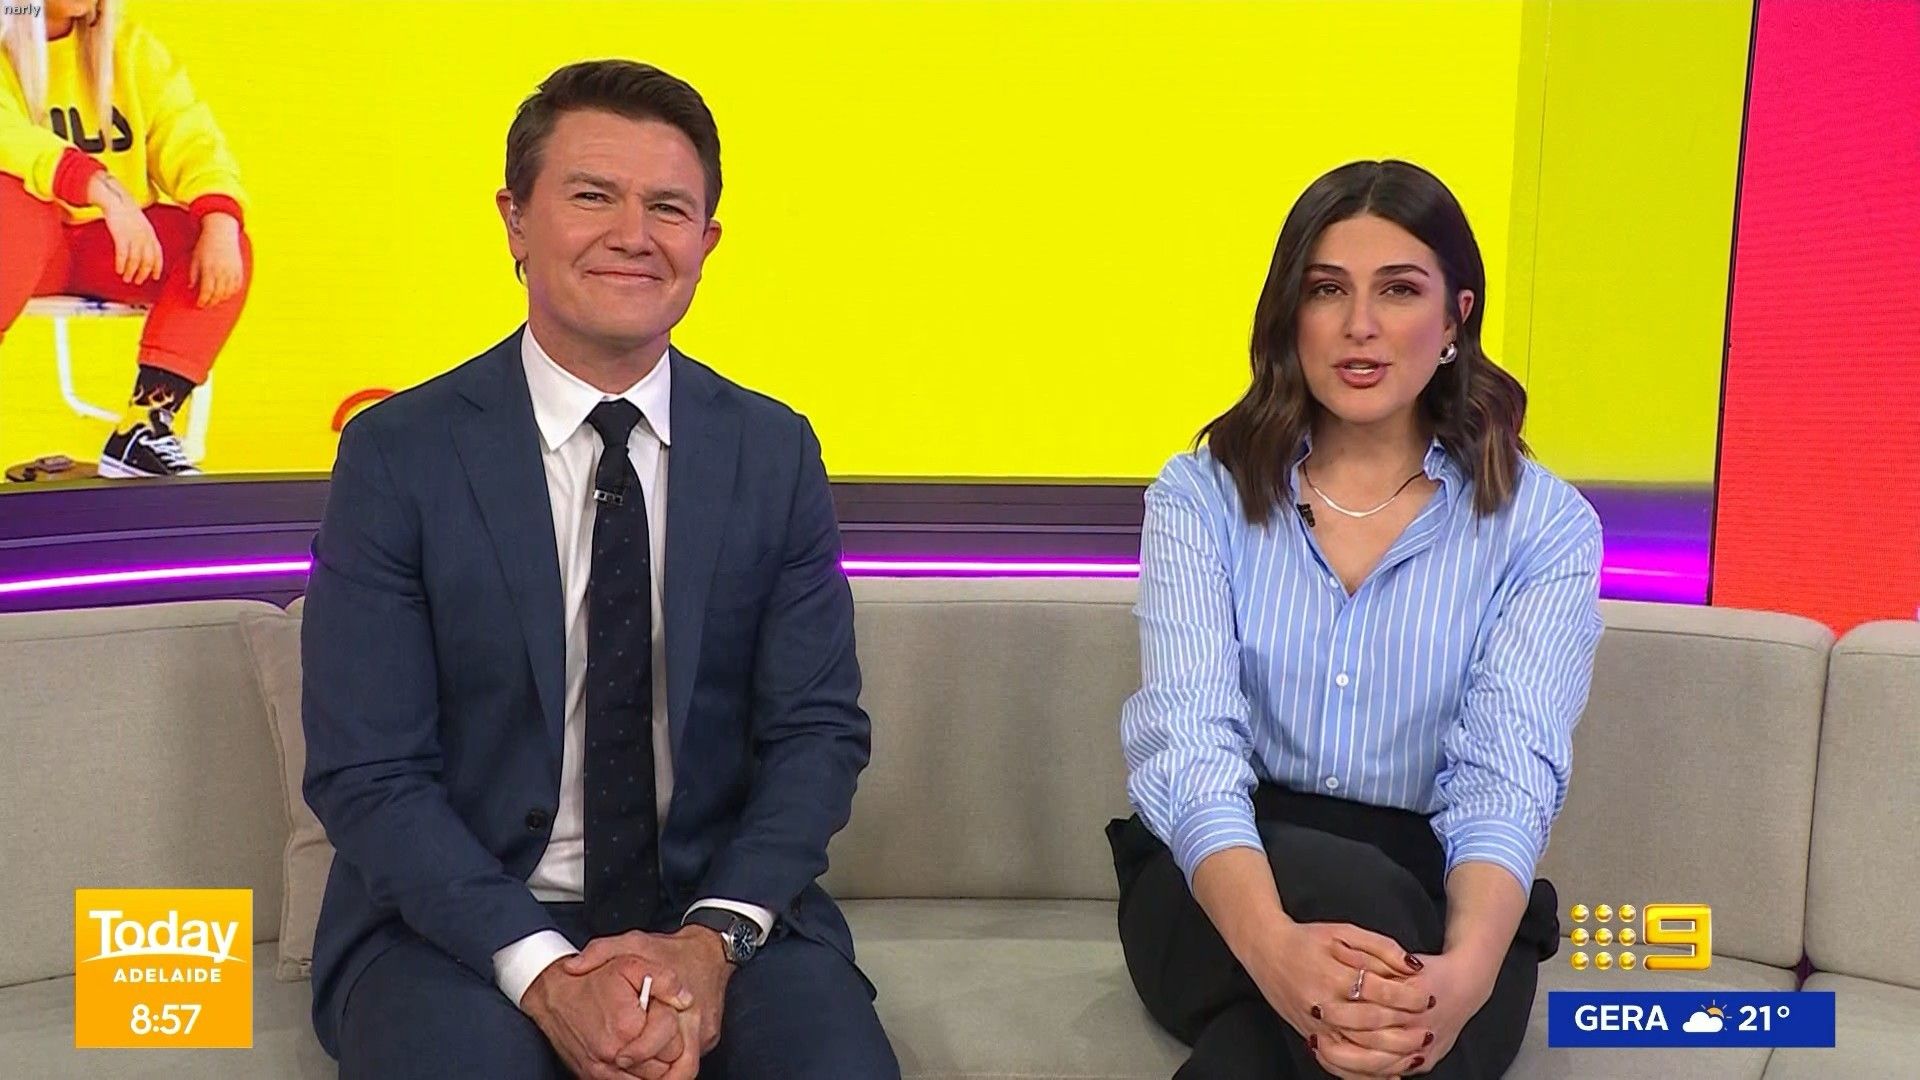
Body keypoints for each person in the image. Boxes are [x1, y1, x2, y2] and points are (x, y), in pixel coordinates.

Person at [300, 59, 898, 1079]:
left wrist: (711, 943)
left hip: (713, 914)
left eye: (668, 207)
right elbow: (369, 771)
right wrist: (546, 973)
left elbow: (816, 734)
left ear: (706, 243)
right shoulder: (400, 454)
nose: (633, 234)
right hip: (456, 924)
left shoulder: (773, 451)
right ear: (515, 221)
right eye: (591, 196)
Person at [1109, 159, 1602, 1080]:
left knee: (1335, 1035)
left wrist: (1461, 980)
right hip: (1224, 886)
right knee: (1374, 954)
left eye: (1399, 290)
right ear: (1290, 314)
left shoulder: (1542, 527)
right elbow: (1191, 749)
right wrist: (1275, 952)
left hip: (1440, 896)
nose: (1360, 325)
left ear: (1455, 318)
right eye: (1327, 289)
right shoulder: (1201, 497)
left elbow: (1505, 777)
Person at [0, 0, 250, 477]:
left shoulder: (130, 48)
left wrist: (219, 218)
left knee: (220, 239)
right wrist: (103, 189)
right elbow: (9, 138)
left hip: (106, 248)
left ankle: (143, 428)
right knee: (10, 200)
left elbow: (192, 137)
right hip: (20, 242)